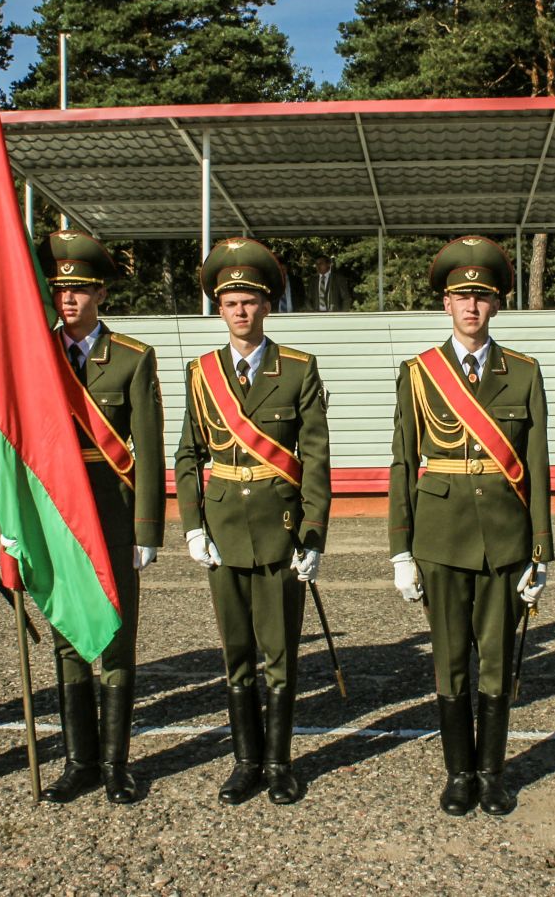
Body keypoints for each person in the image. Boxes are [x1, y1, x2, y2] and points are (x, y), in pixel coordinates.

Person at [386, 235, 552, 816]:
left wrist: (540, 551)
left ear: (498, 305)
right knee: (449, 659)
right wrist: (400, 551)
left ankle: (493, 773)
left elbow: (536, 466)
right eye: (462, 297)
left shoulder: (524, 373)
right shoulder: (419, 373)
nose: (472, 307)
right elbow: (404, 461)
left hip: (505, 540)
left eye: (482, 297)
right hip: (439, 536)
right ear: (446, 306)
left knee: (498, 661)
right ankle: (459, 773)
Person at [175, 237, 330, 805]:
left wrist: (313, 533)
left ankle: (280, 763)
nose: (240, 311)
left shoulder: (298, 369)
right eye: (230, 301)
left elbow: (314, 457)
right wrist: (192, 524)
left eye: (250, 300)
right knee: (235, 652)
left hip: (280, 530)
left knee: (281, 655)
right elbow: (188, 453)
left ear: (268, 307)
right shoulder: (201, 372)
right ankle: (246, 762)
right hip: (221, 531)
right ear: (220, 309)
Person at [36, 230, 165, 804]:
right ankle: (77, 761)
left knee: (114, 635)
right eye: (61, 288)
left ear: (101, 293)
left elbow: (150, 448)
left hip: (111, 512)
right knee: (67, 633)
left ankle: (115, 763)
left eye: (80, 289)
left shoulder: (133, 358)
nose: (68, 299)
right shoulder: (34, 355)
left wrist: (146, 529)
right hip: (56, 512)